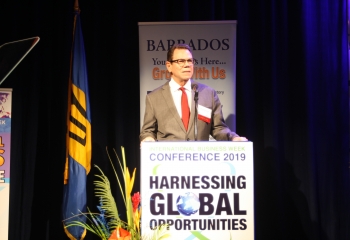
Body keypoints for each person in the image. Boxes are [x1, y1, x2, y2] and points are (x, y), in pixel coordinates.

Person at [140, 44, 247, 143]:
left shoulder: (208, 93)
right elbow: (148, 131)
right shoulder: (154, 97)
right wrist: (148, 139)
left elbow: (218, 128)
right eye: (180, 61)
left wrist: (233, 137)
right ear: (169, 66)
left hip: (199, 159)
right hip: (168, 161)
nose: (187, 65)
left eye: (190, 61)